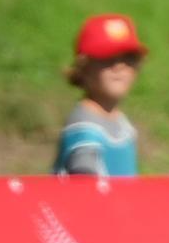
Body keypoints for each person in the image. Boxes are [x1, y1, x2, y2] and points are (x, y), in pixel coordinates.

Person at [53, 14, 145, 177]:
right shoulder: (85, 128)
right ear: (84, 68)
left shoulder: (122, 124)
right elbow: (85, 185)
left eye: (129, 58)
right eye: (107, 58)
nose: (119, 66)